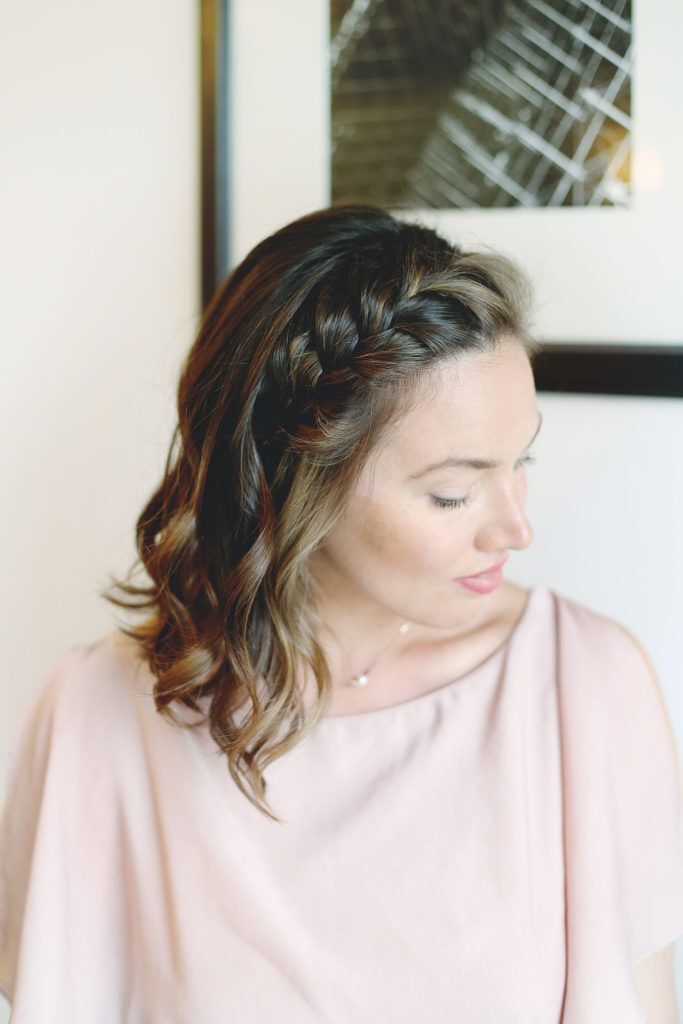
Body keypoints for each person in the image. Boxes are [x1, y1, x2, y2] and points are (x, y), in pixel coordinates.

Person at [1, 204, 682, 1022]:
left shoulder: (586, 687)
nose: (515, 528)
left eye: (520, 460)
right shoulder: (98, 714)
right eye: (452, 492)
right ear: (294, 484)